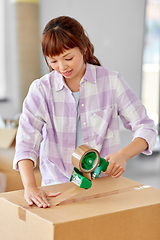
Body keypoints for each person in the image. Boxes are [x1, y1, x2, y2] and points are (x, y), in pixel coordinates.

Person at [13, 16, 157, 208]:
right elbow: (26, 141)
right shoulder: (41, 90)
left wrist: (123, 155)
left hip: (103, 188)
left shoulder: (111, 82)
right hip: (57, 188)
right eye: (53, 60)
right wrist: (30, 186)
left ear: (83, 48)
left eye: (68, 58)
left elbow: (145, 127)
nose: (62, 67)